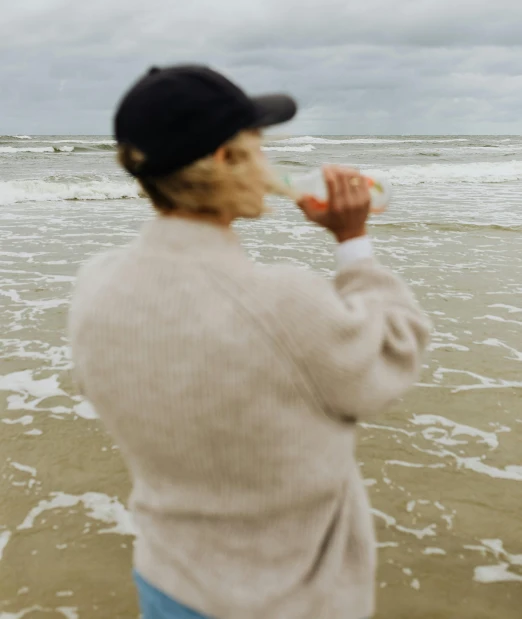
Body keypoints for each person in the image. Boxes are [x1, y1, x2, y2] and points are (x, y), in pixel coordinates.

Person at [69, 65, 430, 619]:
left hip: (168, 581)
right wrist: (353, 243)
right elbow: (393, 354)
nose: (268, 162)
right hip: (281, 598)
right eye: (258, 146)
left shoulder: (95, 283)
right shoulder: (282, 301)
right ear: (224, 160)